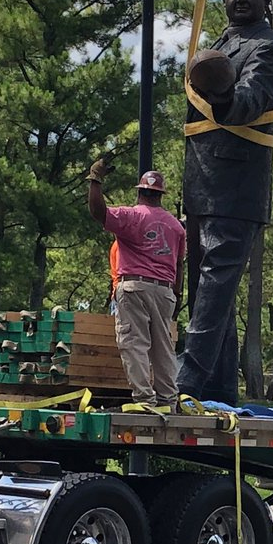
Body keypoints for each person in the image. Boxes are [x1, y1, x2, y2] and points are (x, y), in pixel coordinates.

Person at [178, 0, 273, 405]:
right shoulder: (221, 44)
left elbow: (253, 98)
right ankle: (218, 387)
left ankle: (186, 380)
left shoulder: (270, 47)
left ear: (267, 0)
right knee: (206, 293)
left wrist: (226, 96)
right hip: (202, 183)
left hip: (237, 185)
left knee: (214, 287)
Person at [88, 166, 186, 412]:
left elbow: (98, 212)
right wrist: (176, 294)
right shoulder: (176, 226)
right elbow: (179, 264)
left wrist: (95, 180)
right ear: (160, 195)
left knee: (134, 343)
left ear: (140, 192)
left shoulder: (131, 216)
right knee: (163, 346)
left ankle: (145, 400)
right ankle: (168, 400)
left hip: (134, 287)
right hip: (165, 291)